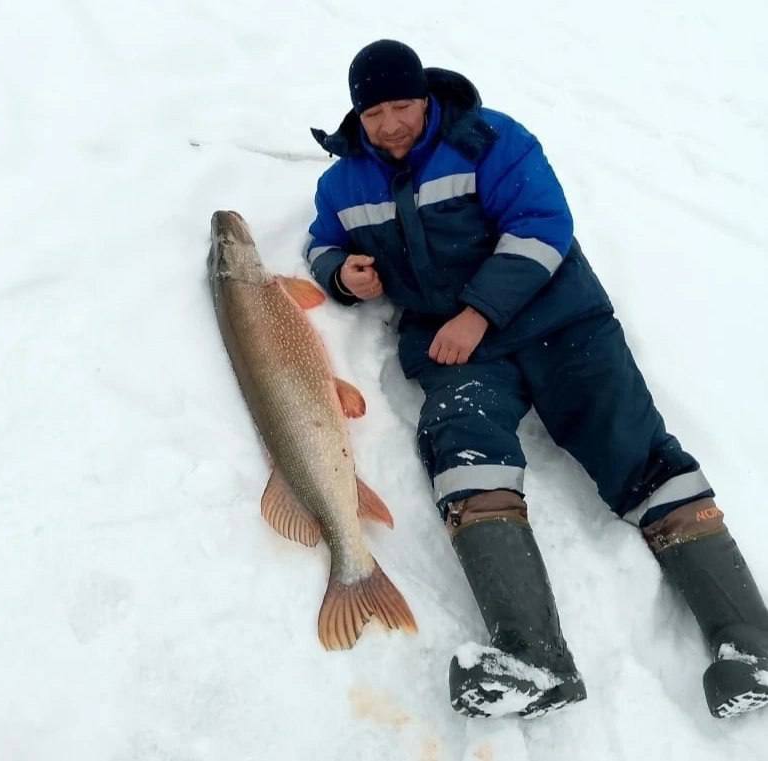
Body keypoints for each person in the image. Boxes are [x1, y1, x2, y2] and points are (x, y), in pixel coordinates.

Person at [304, 39, 768, 719]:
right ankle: (533, 660)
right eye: (374, 113)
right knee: (461, 452)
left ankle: (752, 643)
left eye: (402, 106)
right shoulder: (343, 183)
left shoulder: (491, 140)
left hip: (558, 318)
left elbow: (543, 227)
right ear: (357, 115)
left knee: (637, 455)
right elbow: (322, 241)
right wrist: (341, 273)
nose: (391, 124)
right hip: (459, 353)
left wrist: (476, 313)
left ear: (425, 97)